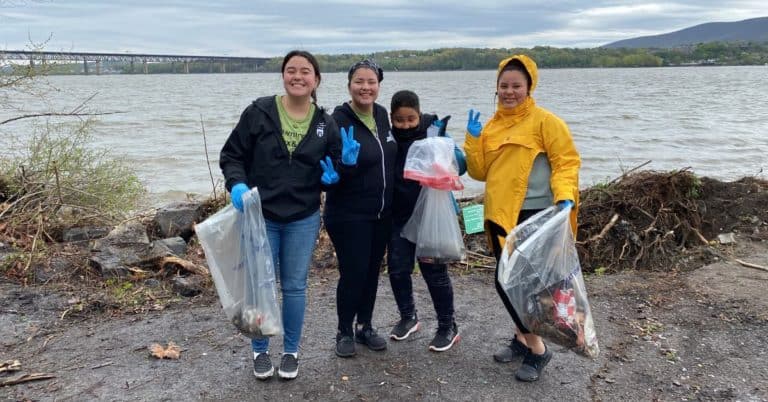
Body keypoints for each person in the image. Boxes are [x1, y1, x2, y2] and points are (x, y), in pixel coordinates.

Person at [219, 50, 342, 380]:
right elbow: (232, 155)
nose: (298, 76)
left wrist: (336, 176)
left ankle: (290, 351)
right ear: (283, 76)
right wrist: (237, 184)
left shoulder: (325, 123)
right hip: (261, 215)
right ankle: (259, 351)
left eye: (305, 71)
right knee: (259, 286)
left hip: (303, 216)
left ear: (316, 80)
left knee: (295, 286)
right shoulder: (259, 111)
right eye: (291, 70)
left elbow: (335, 165)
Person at [463, 54, 580, 382]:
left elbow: (566, 162)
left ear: (530, 87)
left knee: (529, 286)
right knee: (508, 284)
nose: (509, 91)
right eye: (504, 86)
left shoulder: (546, 122)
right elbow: (479, 171)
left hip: (538, 215)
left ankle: (539, 350)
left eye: (517, 85)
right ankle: (520, 338)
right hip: (501, 215)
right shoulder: (492, 126)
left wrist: (565, 196)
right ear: (496, 88)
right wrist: (473, 140)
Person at [324, 59, 397, 358]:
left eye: (371, 82)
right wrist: (345, 167)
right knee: (353, 272)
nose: (365, 87)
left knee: (371, 272)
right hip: (348, 213)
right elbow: (328, 173)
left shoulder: (381, 115)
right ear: (349, 84)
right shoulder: (336, 121)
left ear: (379, 86)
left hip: (381, 213)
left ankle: (364, 326)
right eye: (359, 81)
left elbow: (393, 150)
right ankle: (343, 330)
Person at [386, 89, 466, 351]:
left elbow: (460, 165)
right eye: (400, 120)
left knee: (435, 273)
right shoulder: (388, 138)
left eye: (411, 119)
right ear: (391, 118)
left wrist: (450, 147)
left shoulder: (434, 132)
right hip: (398, 216)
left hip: (429, 215)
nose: (406, 125)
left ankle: (447, 326)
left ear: (419, 115)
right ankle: (408, 317)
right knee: (398, 270)